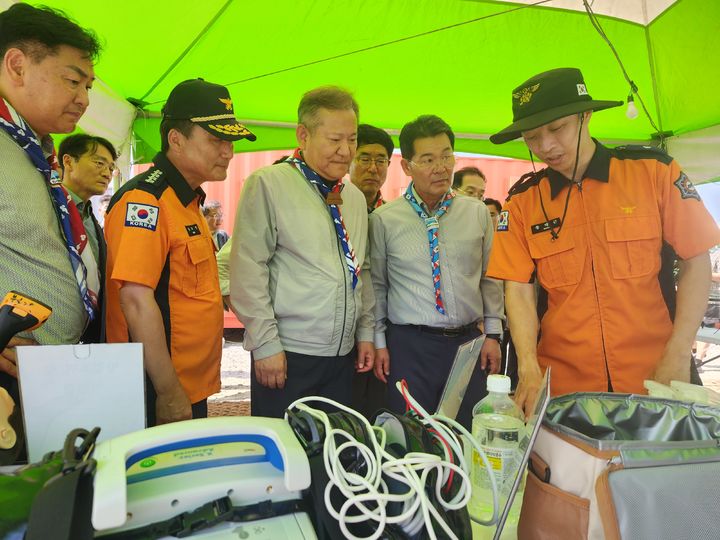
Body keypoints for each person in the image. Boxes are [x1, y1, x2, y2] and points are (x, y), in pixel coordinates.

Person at [487, 67, 720, 415]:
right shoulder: (522, 202)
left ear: (586, 114)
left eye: (557, 128)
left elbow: (695, 260)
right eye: (532, 137)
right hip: (564, 386)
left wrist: (678, 352)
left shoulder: (653, 172)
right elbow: (518, 288)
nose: (546, 146)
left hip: (655, 377)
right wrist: (528, 368)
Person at [104, 78, 256, 426]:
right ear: (176, 139)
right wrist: (168, 392)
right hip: (154, 388)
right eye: (217, 140)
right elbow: (136, 301)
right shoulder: (146, 202)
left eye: (230, 141)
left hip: (187, 386)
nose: (229, 152)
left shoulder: (188, 201)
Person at [230, 86, 374, 418]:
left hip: (342, 355)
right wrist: (265, 344)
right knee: (286, 455)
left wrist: (365, 332)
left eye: (352, 139)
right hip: (288, 352)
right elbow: (248, 268)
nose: (345, 150)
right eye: (334, 139)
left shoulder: (351, 197)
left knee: (334, 453)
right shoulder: (268, 184)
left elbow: (360, 268)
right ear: (303, 135)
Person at [370, 115, 504, 428]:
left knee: (466, 432)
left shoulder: (476, 214)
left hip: (468, 344)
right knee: (410, 434)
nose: (441, 167)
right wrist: (378, 342)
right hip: (408, 346)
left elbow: (490, 276)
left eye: (446, 156)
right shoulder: (385, 220)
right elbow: (376, 285)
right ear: (406, 166)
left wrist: (494, 335)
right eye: (428, 159)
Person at [0, 4, 100, 379]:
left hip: (45, 369)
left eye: (87, 86)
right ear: (17, 66)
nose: (84, 100)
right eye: (72, 81)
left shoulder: (34, 148)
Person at [348, 123, 394, 418]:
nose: (373, 168)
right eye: (364, 158)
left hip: (380, 333)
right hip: (339, 334)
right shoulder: (331, 207)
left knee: (376, 409)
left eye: (381, 160)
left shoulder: (391, 216)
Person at [58, 134, 118, 343]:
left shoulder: (91, 218)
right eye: (99, 163)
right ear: (69, 162)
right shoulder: (47, 206)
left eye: (111, 168)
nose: (107, 173)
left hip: (84, 335)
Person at [349, 123, 393, 212]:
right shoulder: (335, 210)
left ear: (388, 164)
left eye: (380, 161)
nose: (373, 169)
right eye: (365, 160)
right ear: (348, 162)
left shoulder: (393, 216)